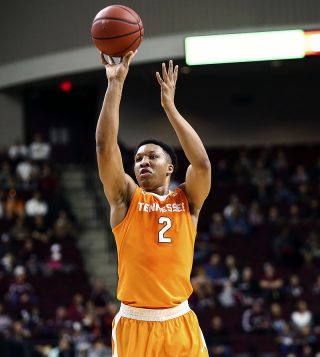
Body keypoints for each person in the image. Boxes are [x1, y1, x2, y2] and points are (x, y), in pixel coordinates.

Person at [96, 51, 211, 356]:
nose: (142, 162)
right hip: (136, 324)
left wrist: (170, 108)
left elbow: (201, 164)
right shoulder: (126, 198)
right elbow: (105, 149)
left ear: (170, 167)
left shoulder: (187, 200)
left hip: (180, 321)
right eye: (137, 159)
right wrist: (115, 84)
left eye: (152, 156)